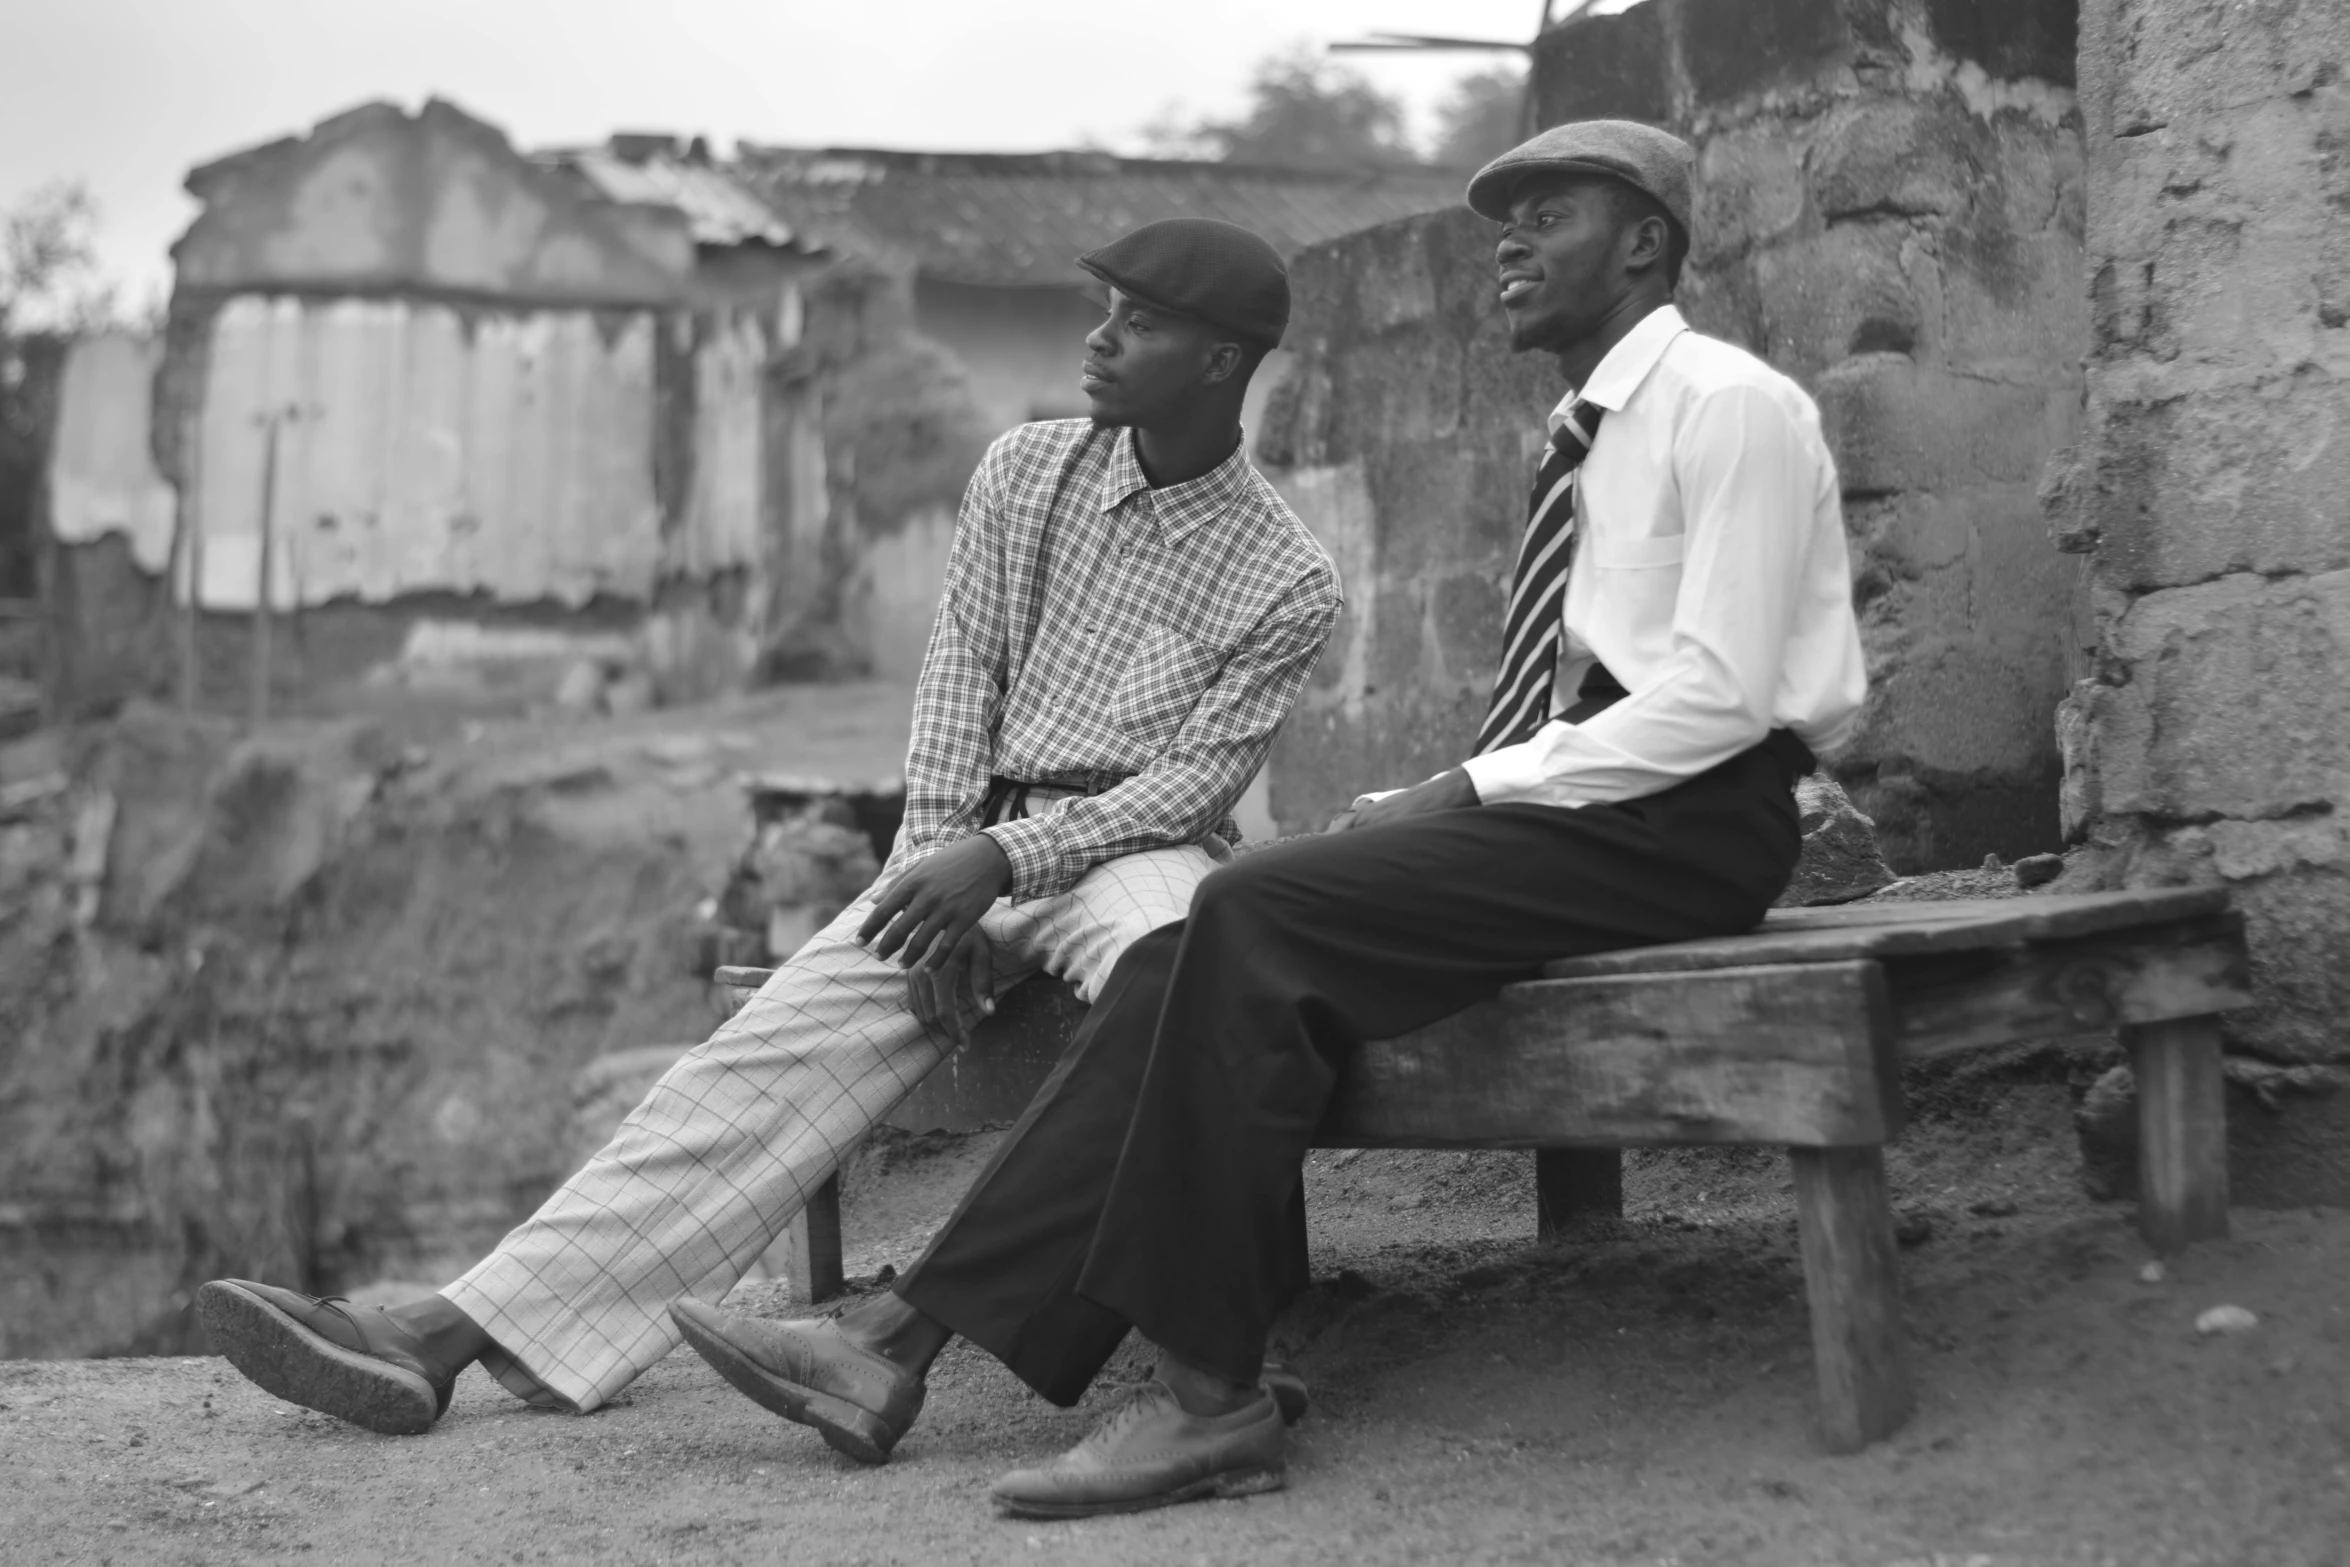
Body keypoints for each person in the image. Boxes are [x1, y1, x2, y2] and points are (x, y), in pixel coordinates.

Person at [670, 118, 1871, 1519]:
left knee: (1242, 904)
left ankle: (1211, 1401)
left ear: (1647, 243)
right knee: (1193, 944)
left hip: (1692, 820)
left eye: (1548, 215)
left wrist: (1465, 787)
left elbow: (1718, 701)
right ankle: (895, 1341)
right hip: (1601, 807)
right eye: (1503, 216)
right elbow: (1601, 698)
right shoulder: (1587, 428)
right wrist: (1436, 798)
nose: (1508, 241)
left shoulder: (1727, 406)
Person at [195, 217, 1343, 1440]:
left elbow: (1189, 785)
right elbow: (959, 680)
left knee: (1187, 974)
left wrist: (1011, 861)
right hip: (969, 841)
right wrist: (939, 866)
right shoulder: (1027, 471)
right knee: (746, 1067)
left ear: (1220, 362)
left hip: (1134, 851)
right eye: (1103, 307)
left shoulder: (1285, 573)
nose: (1099, 338)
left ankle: (1025, 1333)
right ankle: (439, 1336)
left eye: (1141, 322)